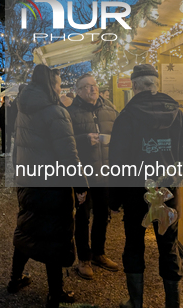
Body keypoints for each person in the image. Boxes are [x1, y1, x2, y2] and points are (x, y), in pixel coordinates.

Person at [109, 64, 183, 308]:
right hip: (167, 192)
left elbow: (118, 161)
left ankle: (135, 302)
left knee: (134, 244)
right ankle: (172, 304)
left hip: (137, 193)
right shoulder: (177, 112)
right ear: (156, 85)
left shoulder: (126, 116)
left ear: (134, 86)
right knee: (169, 246)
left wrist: (114, 201)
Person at [10, 65, 87, 308]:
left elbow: (17, 145)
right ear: (50, 84)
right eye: (59, 82)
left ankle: (14, 279)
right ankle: (55, 294)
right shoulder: (55, 111)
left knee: (27, 228)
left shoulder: (24, 108)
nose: (61, 86)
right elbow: (68, 153)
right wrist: (81, 185)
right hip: (52, 184)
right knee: (55, 236)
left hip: (28, 181)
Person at [69, 73, 119, 279]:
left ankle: (99, 252)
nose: (93, 89)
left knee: (102, 216)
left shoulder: (109, 109)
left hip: (105, 173)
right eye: (87, 86)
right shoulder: (70, 112)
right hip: (83, 174)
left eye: (95, 85)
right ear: (78, 91)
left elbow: (120, 134)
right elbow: (65, 141)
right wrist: (83, 139)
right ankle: (83, 259)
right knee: (82, 218)